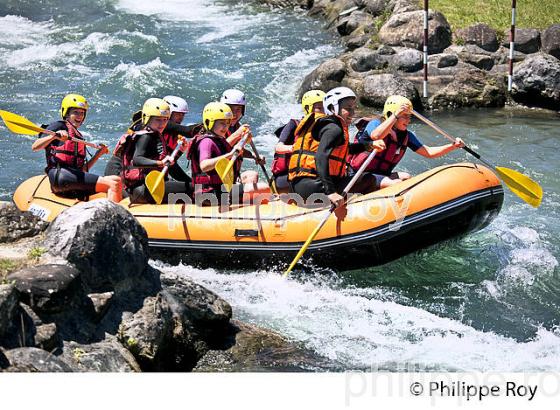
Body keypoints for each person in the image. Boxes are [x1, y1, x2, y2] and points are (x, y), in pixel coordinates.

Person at [288, 87, 386, 208]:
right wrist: (331, 192)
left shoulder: (329, 126)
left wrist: (369, 145)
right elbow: (320, 156)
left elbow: (345, 150)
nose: (352, 113)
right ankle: (363, 214)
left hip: (300, 186)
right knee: (368, 179)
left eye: (353, 108)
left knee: (357, 179)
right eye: (348, 108)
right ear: (332, 108)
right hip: (314, 188)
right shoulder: (334, 129)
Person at [349, 95, 465, 189]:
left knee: (407, 177)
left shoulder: (406, 136)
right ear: (391, 114)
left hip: (380, 175)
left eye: (409, 116)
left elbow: (429, 152)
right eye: (404, 116)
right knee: (396, 184)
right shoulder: (375, 124)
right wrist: (396, 114)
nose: (408, 120)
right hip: (358, 176)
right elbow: (376, 136)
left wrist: (453, 146)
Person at [31, 94, 122, 203]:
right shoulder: (58, 126)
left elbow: (82, 170)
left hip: (72, 179)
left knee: (116, 179)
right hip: (61, 177)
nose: (79, 116)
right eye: (75, 112)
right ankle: (117, 217)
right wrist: (53, 136)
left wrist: (99, 153)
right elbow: (35, 147)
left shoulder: (78, 137)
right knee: (113, 185)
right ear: (66, 113)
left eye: (82, 113)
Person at [189, 102, 270, 206]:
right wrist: (230, 154)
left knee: (252, 175)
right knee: (264, 188)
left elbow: (226, 150)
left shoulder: (218, 139)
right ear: (209, 122)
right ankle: (244, 199)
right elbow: (204, 166)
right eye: (222, 123)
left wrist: (244, 141)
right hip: (209, 193)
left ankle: (244, 199)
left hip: (220, 188)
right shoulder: (207, 142)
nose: (225, 127)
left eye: (227, 123)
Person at [120, 98, 192, 204]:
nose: (162, 124)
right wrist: (160, 162)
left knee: (192, 186)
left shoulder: (155, 135)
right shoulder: (145, 136)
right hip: (145, 190)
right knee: (197, 188)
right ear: (147, 118)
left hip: (149, 188)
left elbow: (166, 164)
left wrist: (180, 151)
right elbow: (137, 160)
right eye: (158, 119)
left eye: (165, 120)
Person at [271, 89, 325, 193]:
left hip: (314, 174)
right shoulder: (294, 124)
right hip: (288, 176)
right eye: (319, 108)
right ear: (307, 108)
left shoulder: (328, 128)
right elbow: (278, 147)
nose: (323, 111)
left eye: (325, 107)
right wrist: (295, 148)